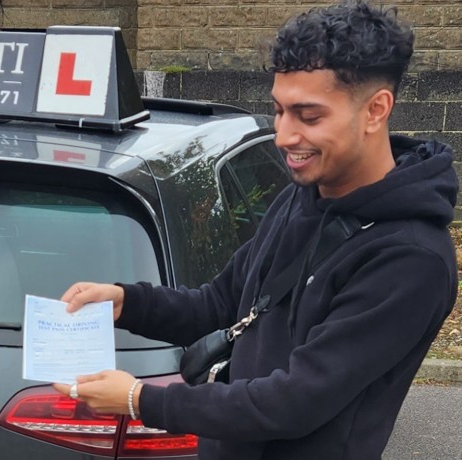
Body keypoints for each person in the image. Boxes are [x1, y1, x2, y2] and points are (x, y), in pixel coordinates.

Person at [53, 1, 459, 458]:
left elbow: (295, 402)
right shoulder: (302, 196)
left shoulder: (411, 258)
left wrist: (141, 400)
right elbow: (221, 303)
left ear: (375, 110)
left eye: (308, 116)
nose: (283, 136)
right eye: (279, 111)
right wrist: (127, 302)